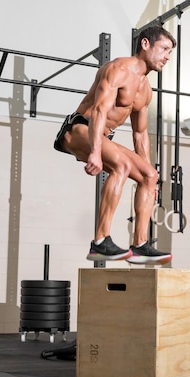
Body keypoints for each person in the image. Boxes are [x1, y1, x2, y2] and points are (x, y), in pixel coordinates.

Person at [54, 26, 175, 265]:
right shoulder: (118, 69)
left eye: (170, 53)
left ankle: (140, 245)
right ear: (145, 44)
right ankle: (100, 242)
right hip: (79, 129)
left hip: (102, 136)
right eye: (164, 49)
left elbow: (140, 134)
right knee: (120, 166)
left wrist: (147, 175)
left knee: (151, 175)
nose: (167, 57)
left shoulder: (145, 90)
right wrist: (96, 152)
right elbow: (99, 109)